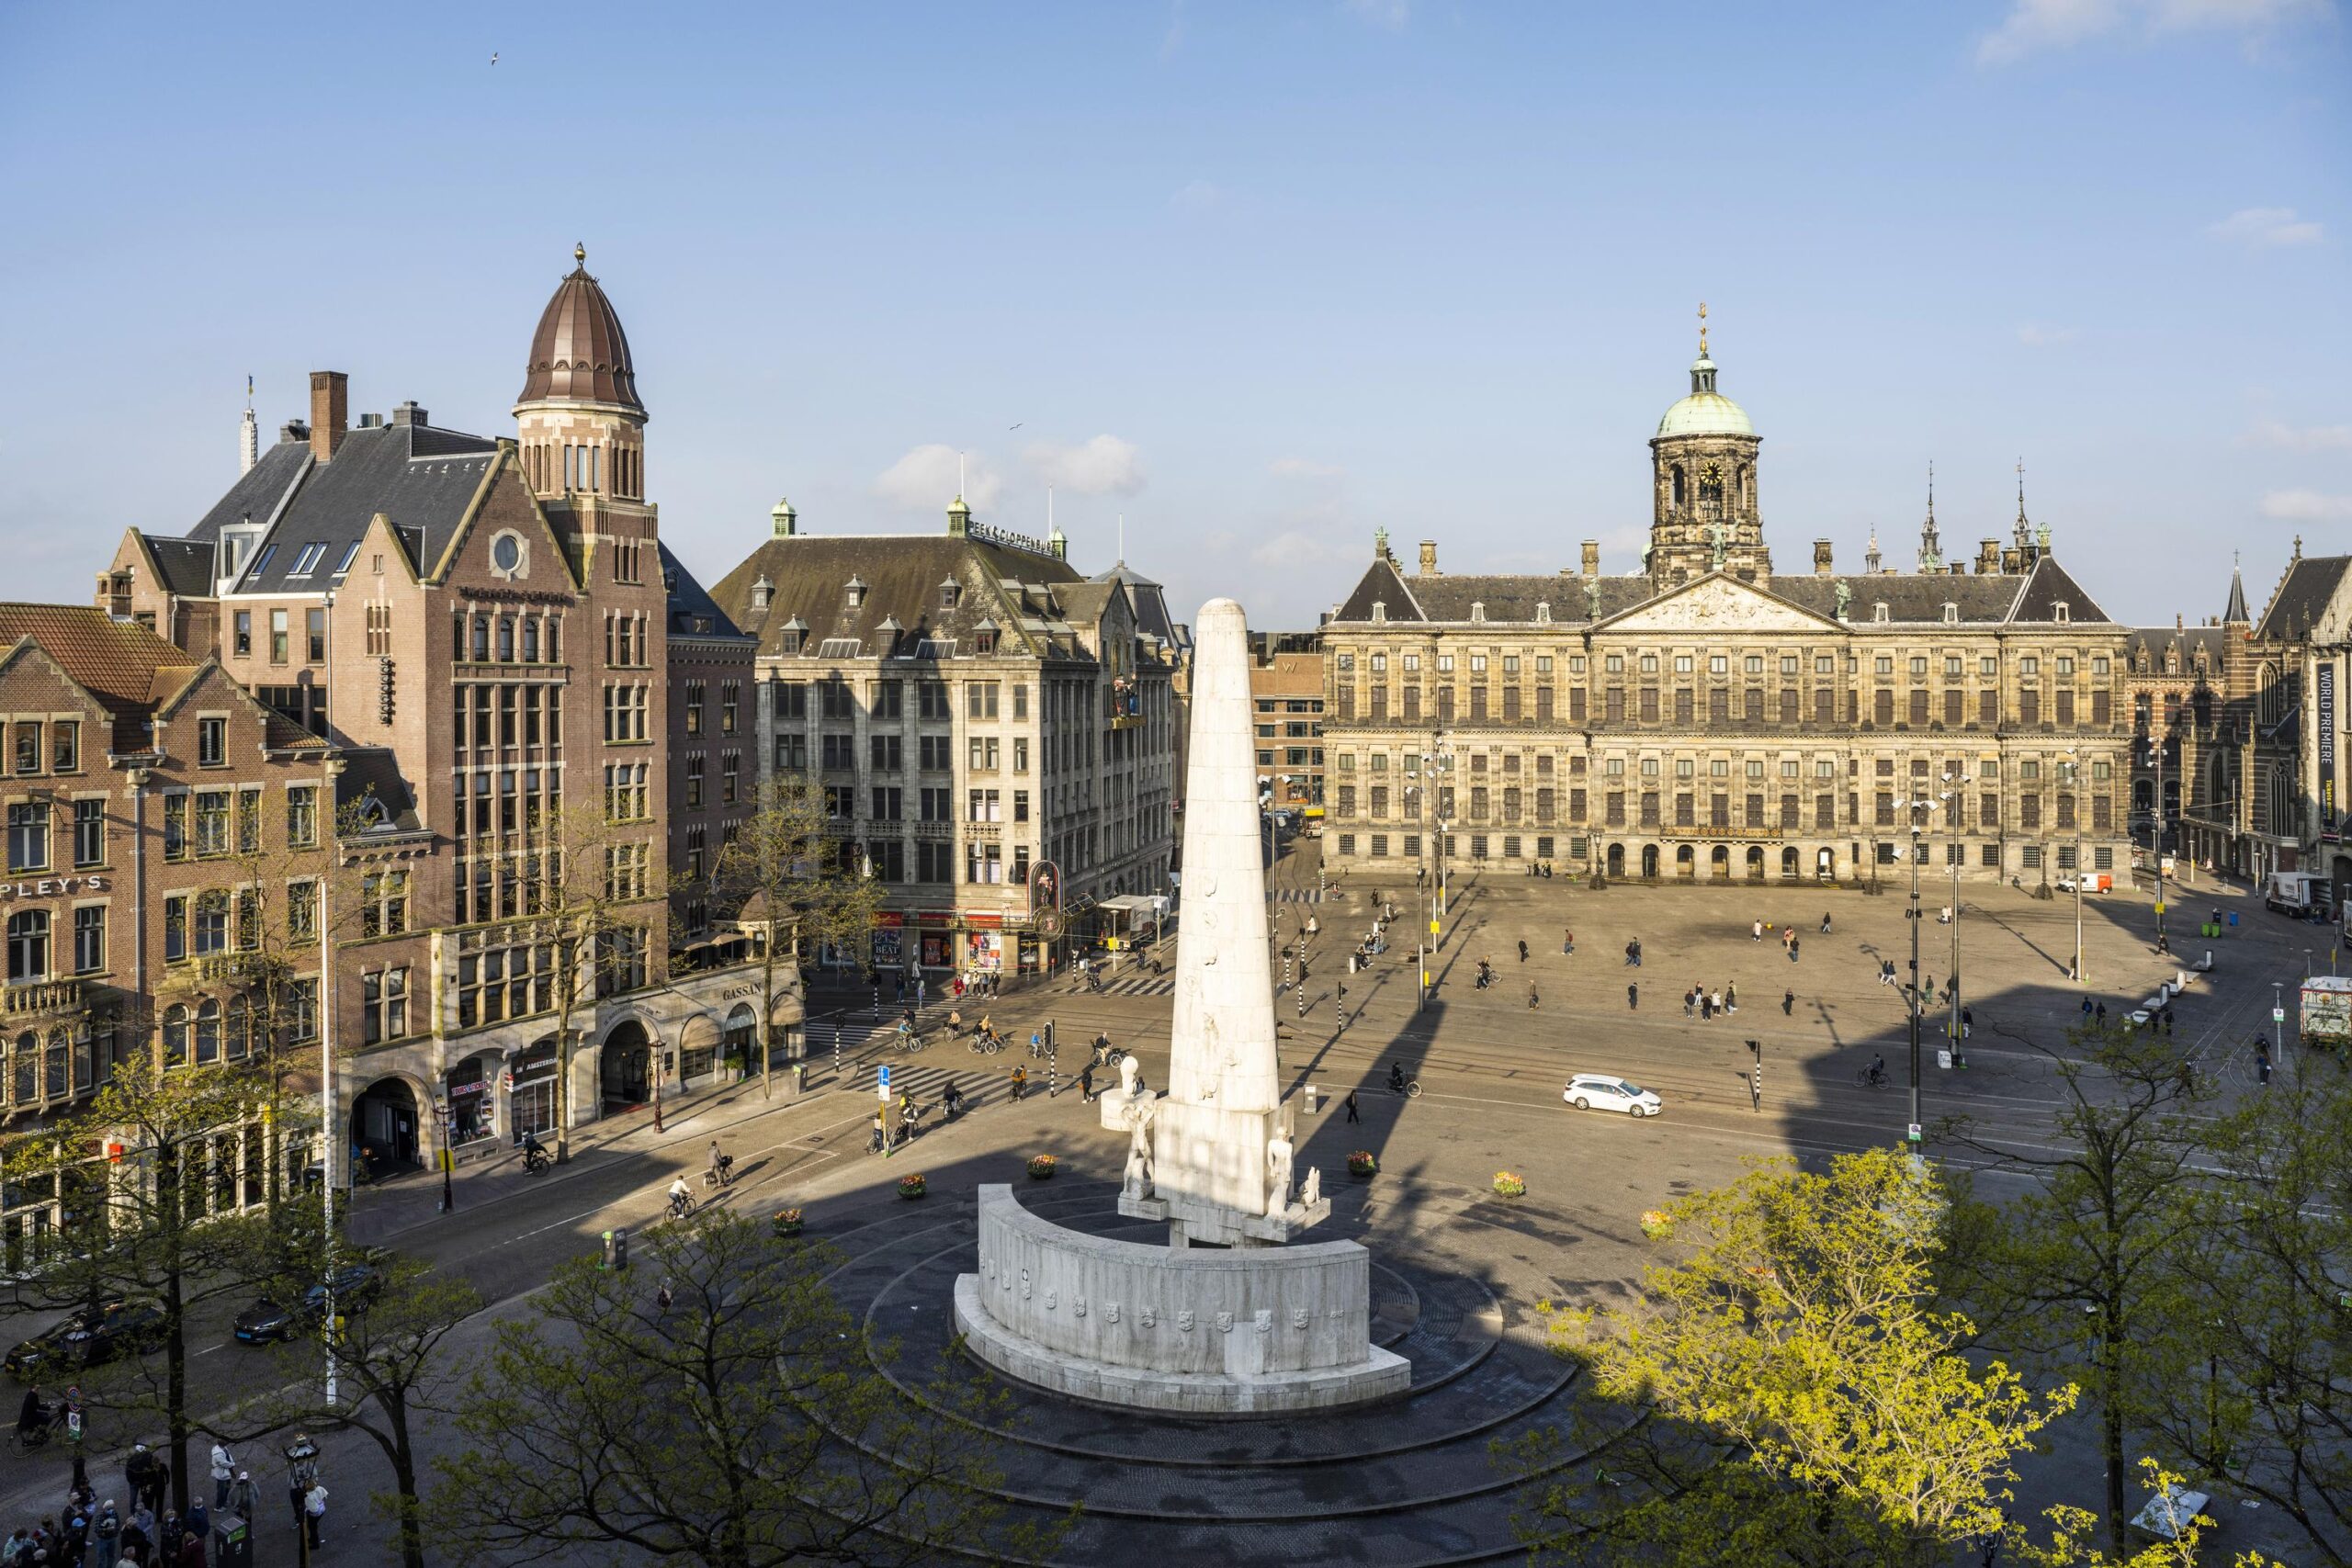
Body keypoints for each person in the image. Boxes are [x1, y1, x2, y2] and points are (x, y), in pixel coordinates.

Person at [209, 1441, 235, 1511]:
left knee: (227, 1488)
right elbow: (224, 1464)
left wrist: (231, 1463)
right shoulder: (218, 1453)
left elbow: (229, 1456)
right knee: (221, 1491)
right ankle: (219, 1507)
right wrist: (232, 1464)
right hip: (222, 1475)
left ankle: (224, 1502)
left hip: (225, 1473)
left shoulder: (224, 1448)